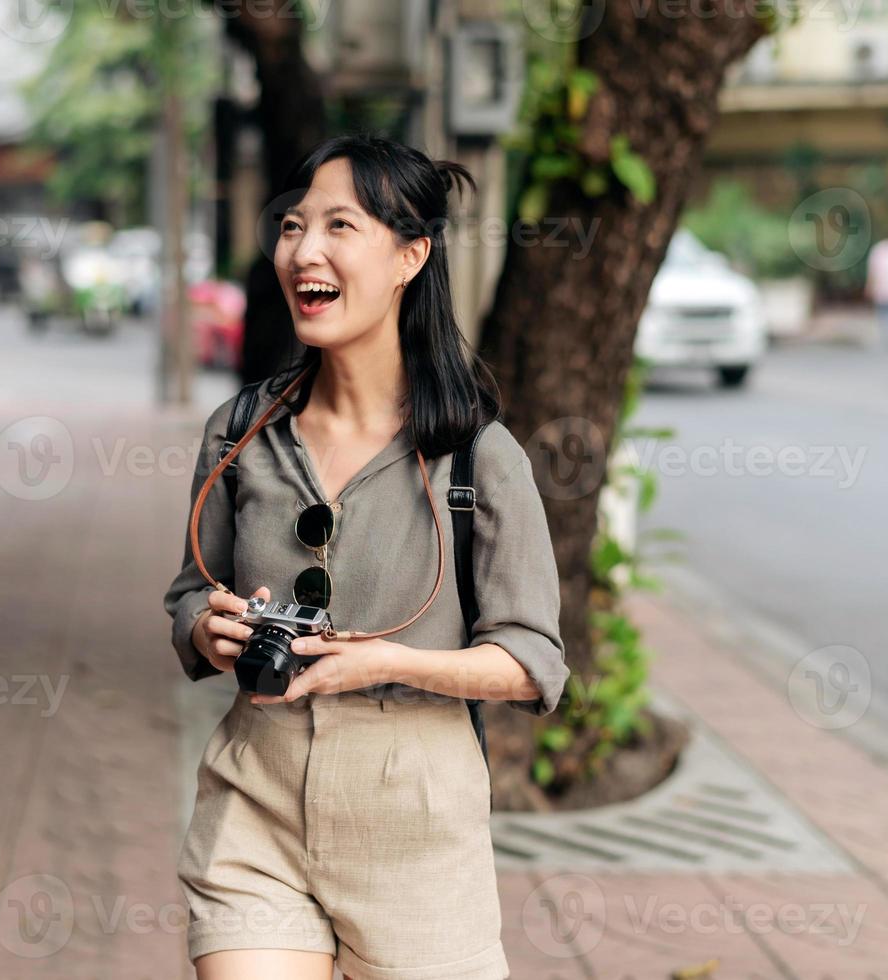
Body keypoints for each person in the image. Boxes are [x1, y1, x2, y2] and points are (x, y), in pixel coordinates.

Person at [162, 134, 569, 980]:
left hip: (415, 816)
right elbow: (188, 595)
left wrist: (393, 661)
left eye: (339, 226)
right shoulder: (241, 433)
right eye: (292, 226)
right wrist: (212, 628)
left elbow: (533, 663)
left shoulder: (477, 455)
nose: (303, 251)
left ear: (410, 255)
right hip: (257, 794)